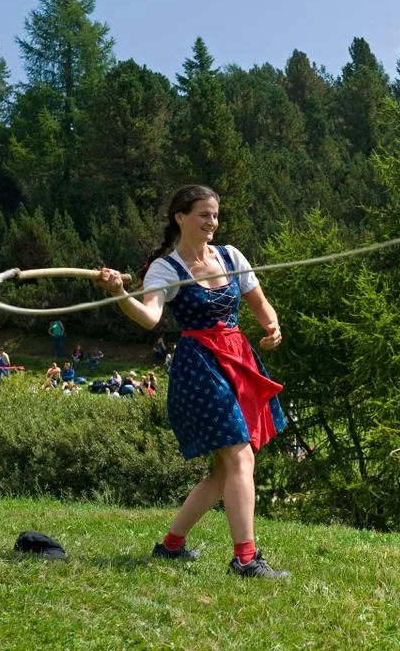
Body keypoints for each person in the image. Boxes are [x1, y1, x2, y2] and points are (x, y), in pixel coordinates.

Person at [94, 183, 288, 579]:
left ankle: (170, 547)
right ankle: (246, 560)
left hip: (238, 359)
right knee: (239, 456)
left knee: (223, 472)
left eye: (215, 215)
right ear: (180, 217)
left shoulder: (231, 256)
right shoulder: (166, 269)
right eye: (203, 214)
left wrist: (272, 324)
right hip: (199, 366)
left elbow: (258, 301)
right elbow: (149, 318)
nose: (212, 222)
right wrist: (119, 293)